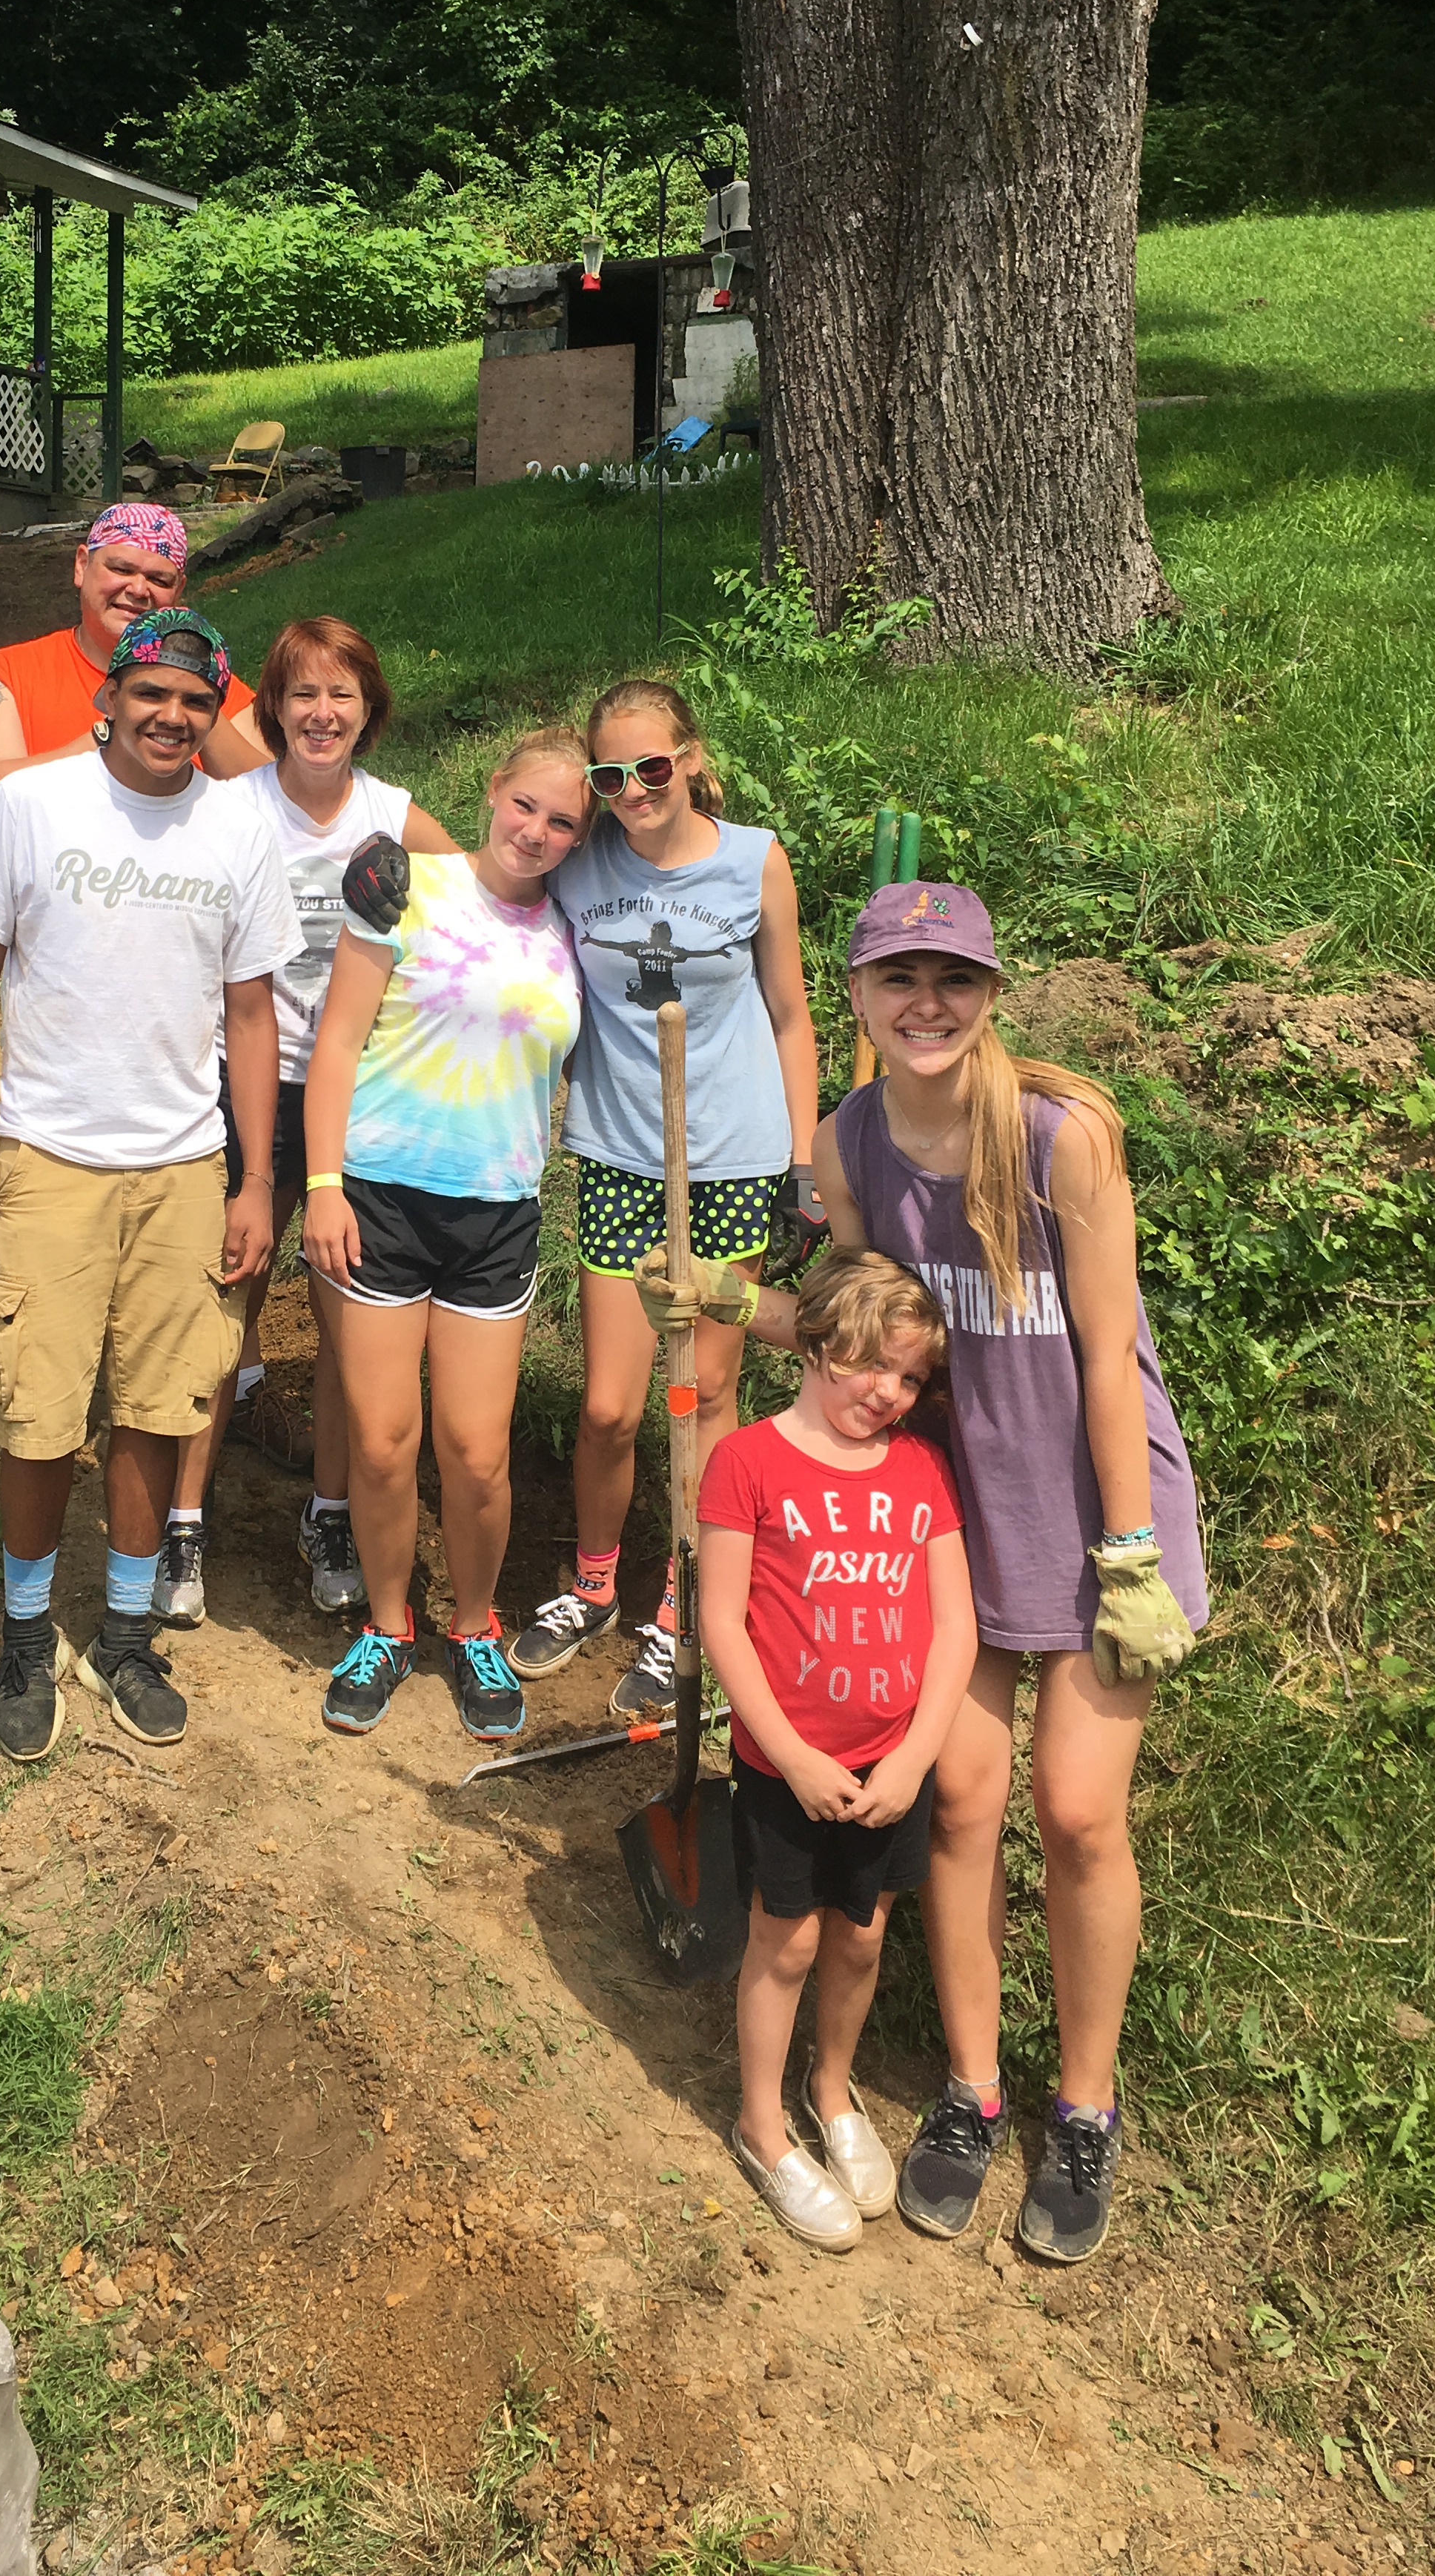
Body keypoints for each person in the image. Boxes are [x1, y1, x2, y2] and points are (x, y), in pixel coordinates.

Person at [691, 879, 1208, 2265]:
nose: (926, 1004)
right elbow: (868, 1326)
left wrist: (1126, 1551)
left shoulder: (1060, 1134)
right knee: (964, 1803)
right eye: (897, 980)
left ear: (990, 992)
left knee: (1077, 1812)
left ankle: (1083, 2106)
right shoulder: (848, 1135)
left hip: (1092, 1509)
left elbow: (1107, 1356)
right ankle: (972, 2090)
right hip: (955, 1514)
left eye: (954, 979)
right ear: (856, 995)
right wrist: (736, 1300)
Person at [0, 606, 301, 1762]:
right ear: (111, 697)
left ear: (215, 713)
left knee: (156, 1407)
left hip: (184, 1167)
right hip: (51, 1159)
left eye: (196, 702)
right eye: (153, 695)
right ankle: (26, 1637)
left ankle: (126, 1637)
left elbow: (251, 1015)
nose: (172, 717)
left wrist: (255, 1181)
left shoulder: (239, 825)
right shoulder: (34, 805)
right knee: (39, 1414)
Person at [504, 680, 822, 1718]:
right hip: (619, 1158)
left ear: (688, 757)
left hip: (730, 1160)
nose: (634, 789)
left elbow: (791, 1016)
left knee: (705, 1393)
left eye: (651, 766)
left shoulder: (754, 859)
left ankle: (689, 1605)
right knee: (609, 1406)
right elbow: (497, 873)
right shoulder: (582, 864)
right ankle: (594, 1585)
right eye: (612, 775)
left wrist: (804, 1165)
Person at [153, 618, 460, 1631]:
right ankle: (183, 1521)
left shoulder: (394, 818)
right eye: (303, 695)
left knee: (343, 1317)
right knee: (222, 1298)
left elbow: (482, 901)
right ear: (273, 710)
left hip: (354, 1099)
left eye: (342, 695)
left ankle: (329, 1515)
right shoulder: (229, 808)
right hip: (240, 1083)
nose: (322, 714)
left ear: (370, 712)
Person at [299, 729, 591, 1744]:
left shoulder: (576, 931)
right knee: (383, 1444)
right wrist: (323, 1187)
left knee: (475, 1452)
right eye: (526, 806)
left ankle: (474, 1627)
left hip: (496, 1212)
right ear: (494, 791)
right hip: (379, 1198)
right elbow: (338, 1042)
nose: (537, 832)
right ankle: (387, 1626)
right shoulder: (404, 889)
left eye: (564, 823)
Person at [697, 1251, 977, 2252]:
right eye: (871, 1364)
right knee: (788, 1942)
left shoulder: (921, 1470)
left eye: (909, 1377)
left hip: (891, 1766)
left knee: (860, 1935)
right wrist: (789, 1755)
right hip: (790, 1767)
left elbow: (956, 1629)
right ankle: (762, 2126)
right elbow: (723, 1623)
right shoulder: (746, 1462)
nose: (889, 1392)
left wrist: (913, 1760)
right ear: (817, 1342)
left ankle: (830, 2091)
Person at [0, 501, 267, 812]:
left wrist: (194, 702)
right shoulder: (11, 674)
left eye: (159, 580)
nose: (139, 589)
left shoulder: (214, 688)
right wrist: (108, 734)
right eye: (121, 569)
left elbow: (268, 804)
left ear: (179, 590)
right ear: (81, 565)